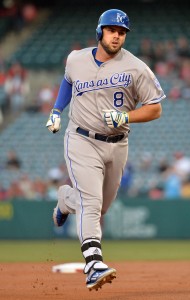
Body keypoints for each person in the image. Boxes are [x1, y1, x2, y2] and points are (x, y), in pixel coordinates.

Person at [46, 9, 165, 291]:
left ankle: (65, 200)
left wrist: (126, 117)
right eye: (112, 30)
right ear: (100, 31)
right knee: (92, 202)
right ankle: (93, 263)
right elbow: (68, 80)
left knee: (100, 208)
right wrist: (56, 110)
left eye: (122, 32)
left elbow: (155, 108)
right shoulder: (76, 58)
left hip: (117, 144)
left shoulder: (136, 67)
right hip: (81, 139)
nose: (117, 35)